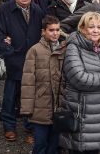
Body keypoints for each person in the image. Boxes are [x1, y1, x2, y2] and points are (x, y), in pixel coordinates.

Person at [60, 12, 100, 154]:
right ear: (82, 28)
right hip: (81, 113)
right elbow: (80, 78)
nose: (96, 30)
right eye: (91, 27)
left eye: (99, 27)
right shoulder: (74, 47)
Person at [0, 0, 45, 142]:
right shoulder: (5, 9)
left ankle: (30, 127)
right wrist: (8, 50)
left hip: (32, 60)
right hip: (14, 59)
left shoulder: (37, 10)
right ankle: (9, 127)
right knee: (10, 96)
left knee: (30, 96)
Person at [20, 15, 65, 154]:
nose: (55, 33)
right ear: (43, 31)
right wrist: (27, 109)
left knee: (54, 143)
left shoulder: (64, 49)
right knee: (40, 143)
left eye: (58, 30)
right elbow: (28, 81)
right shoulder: (35, 50)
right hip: (40, 105)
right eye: (51, 30)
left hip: (59, 105)